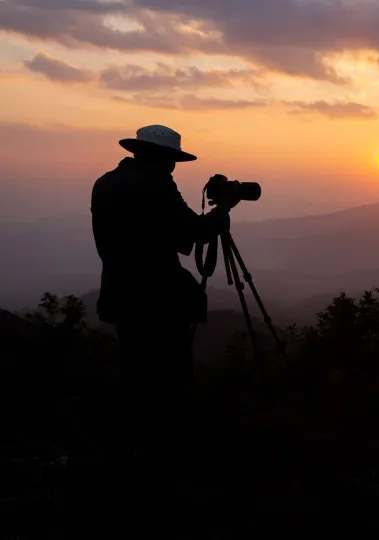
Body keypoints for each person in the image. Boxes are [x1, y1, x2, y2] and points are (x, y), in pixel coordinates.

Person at [90, 125, 239, 503]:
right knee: (172, 379)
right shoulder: (157, 186)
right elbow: (194, 234)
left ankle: (127, 461)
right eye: (172, 161)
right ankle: (165, 470)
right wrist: (223, 209)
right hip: (158, 300)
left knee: (134, 376)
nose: (173, 168)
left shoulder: (104, 184)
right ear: (162, 159)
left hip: (121, 296)